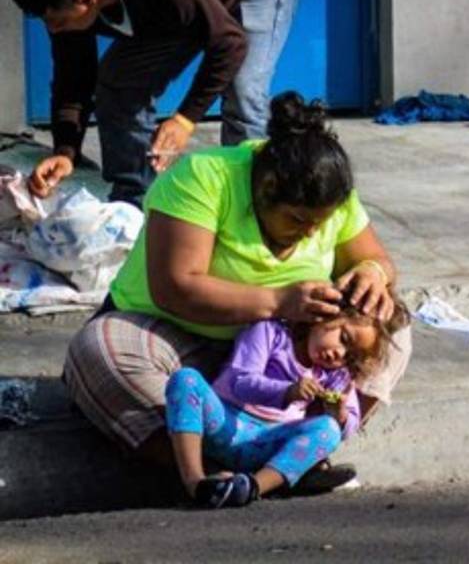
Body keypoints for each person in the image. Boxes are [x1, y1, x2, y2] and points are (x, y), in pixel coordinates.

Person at [62, 92, 409, 494]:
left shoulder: (330, 195)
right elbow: (176, 287)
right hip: (174, 338)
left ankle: (292, 456)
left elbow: (378, 261)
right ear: (266, 189)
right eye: (298, 219)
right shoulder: (204, 176)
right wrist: (279, 302)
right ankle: (209, 470)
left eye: (321, 222)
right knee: (98, 350)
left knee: (393, 328)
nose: (312, 232)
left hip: (285, 365)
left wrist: (373, 273)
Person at [10, 0, 300, 205]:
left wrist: (185, 119)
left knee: (242, 90)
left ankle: (254, 208)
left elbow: (229, 43)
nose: (53, 30)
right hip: (184, 1)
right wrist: (65, 152)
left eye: (57, 21)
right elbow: (73, 80)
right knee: (119, 79)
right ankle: (137, 204)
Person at [166, 301, 409, 508]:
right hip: (225, 423)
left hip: (268, 441)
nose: (339, 354)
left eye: (350, 355)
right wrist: (286, 392)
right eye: (343, 338)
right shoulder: (269, 333)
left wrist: (341, 415)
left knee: (327, 429)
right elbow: (241, 382)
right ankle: (195, 482)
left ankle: (252, 487)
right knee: (185, 379)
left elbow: (349, 424)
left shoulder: (335, 374)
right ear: (326, 314)